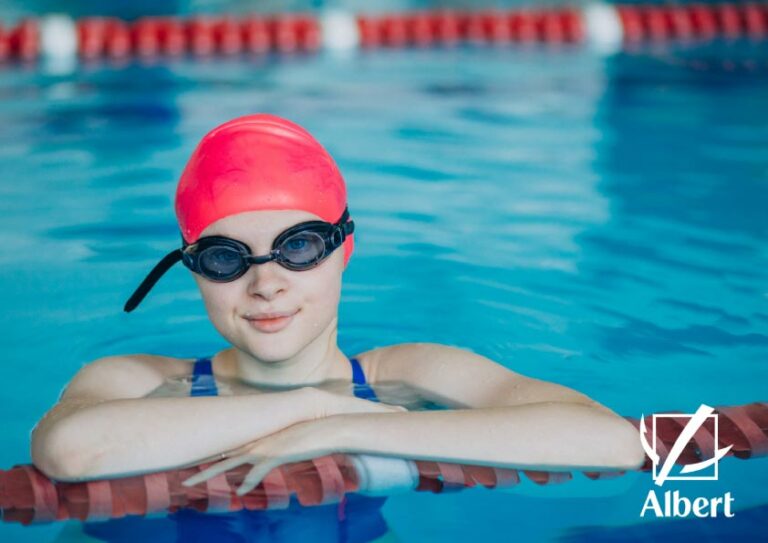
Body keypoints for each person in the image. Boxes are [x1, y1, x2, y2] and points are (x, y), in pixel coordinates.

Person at [31, 114, 645, 506]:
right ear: (192, 270)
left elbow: (612, 442)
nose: (265, 285)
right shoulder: (136, 381)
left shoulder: (410, 374)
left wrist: (347, 426)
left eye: (298, 248)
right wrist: (314, 405)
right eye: (225, 258)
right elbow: (68, 450)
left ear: (343, 249)